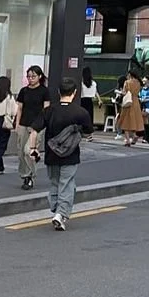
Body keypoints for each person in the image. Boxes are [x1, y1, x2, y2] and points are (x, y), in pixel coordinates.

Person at [42, 76, 94, 230]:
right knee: (67, 183)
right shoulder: (81, 112)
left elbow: (35, 129)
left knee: (55, 182)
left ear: (59, 92)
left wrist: (33, 149)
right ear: (75, 92)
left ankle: (55, 208)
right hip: (70, 155)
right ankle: (60, 213)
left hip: (51, 154)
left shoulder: (49, 110)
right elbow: (88, 132)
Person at [14, 66, 50, 189]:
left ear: (40, 76)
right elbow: (19, 108)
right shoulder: (24, 91)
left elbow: (46, 109)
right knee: (21, 153)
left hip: (37, 126)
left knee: (28, 151)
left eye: (33, 76)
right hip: (23, 124)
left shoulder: (44, 91)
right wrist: (17, 124)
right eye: (28, 76)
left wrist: (43, 123)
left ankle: (30, 176)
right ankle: (25, 176)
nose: (30, 79)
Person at [118, 71, 145, 145]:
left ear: (130, 75)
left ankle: (127, 140)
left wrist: (119, 92)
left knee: (125, 121)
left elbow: (124, 92)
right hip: (136, 102)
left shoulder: (127, 82)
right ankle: (134, 135)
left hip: (128, 101)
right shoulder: (138, 83)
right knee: (134, 121)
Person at [80, 66, 99, 139]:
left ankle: (82, 132)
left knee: (81, 117)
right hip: (90, 101)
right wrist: (99, 100)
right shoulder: (93, 83)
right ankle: (90, 133)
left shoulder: (81, 83)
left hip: (82, 101)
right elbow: (96, 92)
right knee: (89, 117)